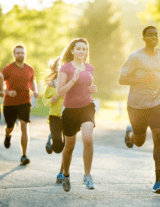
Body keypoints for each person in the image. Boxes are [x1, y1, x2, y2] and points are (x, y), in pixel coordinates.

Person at [119, 26, 160, 195]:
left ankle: (158, 181)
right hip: (137, 105)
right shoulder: (135, 57)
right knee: (139, 141)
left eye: (155, 34)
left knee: (158, 135)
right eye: (149, 35)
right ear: (144, 38)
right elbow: (121, 79)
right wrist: (141, 79)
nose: (153, 37)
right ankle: (130, 134)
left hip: (158, 102)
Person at [57, 38, 97, 192]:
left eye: (84, 49)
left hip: (87, 107)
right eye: (79, 49)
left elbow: (87, 88)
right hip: (70, 110)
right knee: (69, 147)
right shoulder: (65, 68)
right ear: (72, 51)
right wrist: (74, 78)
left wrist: (92, 89)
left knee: (88, 139)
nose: (82, 52)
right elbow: (60, 92)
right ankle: (65, 174)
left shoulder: (90, 68)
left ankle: (87, 175)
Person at [1, 44, 39, 165]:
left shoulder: (29, 69)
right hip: (9, 103)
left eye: (22, 53)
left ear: (25, 54)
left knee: (24, 126)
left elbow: (32, 81)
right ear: (14, 54)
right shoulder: (8, 68)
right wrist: (7, 91)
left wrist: (36, 90)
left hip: (24, 101)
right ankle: (7, 135)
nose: (20, 55)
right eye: (18, 53)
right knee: (10, 127)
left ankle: (24, 155)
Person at [42, 56, 65, 184]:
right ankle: (52, 139)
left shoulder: (72, 82)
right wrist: (51, 100)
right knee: (58, 148)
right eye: (59, 65)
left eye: (64, 64)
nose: (61, 67)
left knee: (68, 146)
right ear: (55, 68)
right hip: (55, 117)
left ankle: (62, 173)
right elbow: (44, 100)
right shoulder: (52, 84)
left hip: (70, 116)